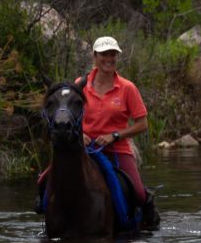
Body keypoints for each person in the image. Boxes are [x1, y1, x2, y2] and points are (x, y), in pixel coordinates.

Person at [36, 36, 159, 229]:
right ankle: (45, 211)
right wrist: (81, 134)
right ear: (95, 56)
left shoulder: (127, 88)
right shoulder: (80, 84)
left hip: (116, 149)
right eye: (103, 54)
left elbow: (142, 124)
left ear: (117, 57)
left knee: (139, 193)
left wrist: (115, 136)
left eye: (112, 54)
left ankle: (146, 222)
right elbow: (71, 114)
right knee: (44, 179)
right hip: (83, 147)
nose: (108, 58)